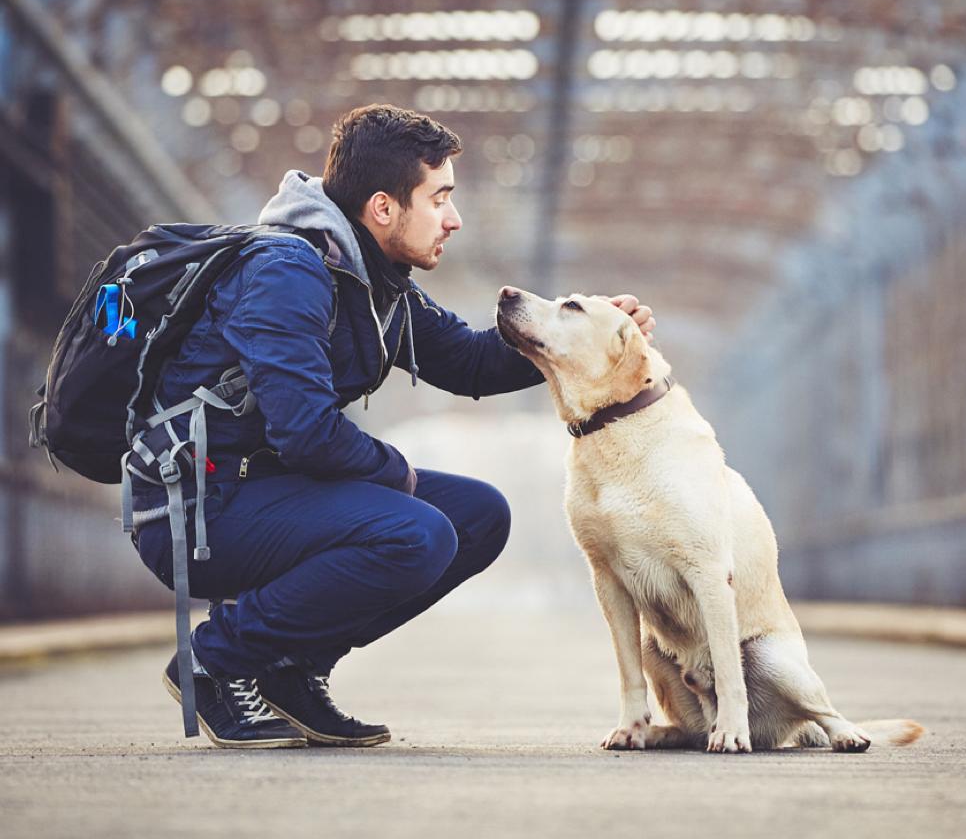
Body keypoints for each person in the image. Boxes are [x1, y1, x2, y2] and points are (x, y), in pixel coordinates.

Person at [130, 103, 655, 748]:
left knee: (478, 515)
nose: (454, 219)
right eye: (440, 199)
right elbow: (307, 432)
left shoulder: (378, 283)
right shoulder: (286, 272)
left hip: (271, 490)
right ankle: (216, 659)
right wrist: (398, 474)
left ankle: (292, 669)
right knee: (416, 534)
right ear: (383, 208)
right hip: (202, 508)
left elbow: (468, 361)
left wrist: (571, 337)